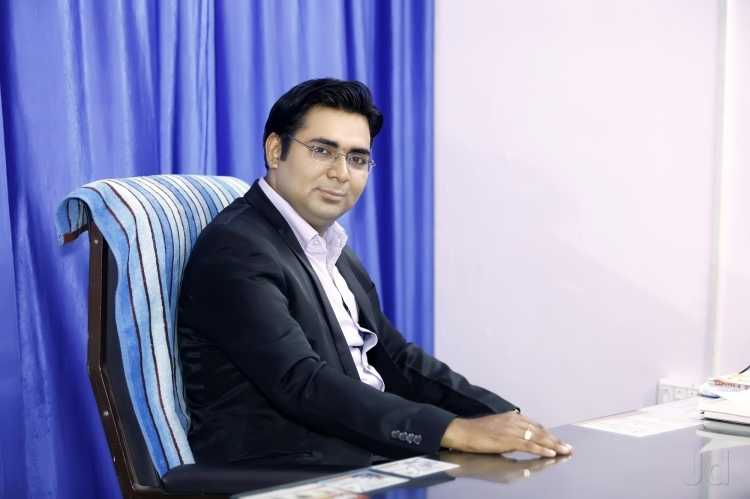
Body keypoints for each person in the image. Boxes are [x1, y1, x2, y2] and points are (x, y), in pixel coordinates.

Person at [177, 78, 572, 467]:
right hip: (284, 468)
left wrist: (504, 417)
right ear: (276, 150)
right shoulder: (237, 249)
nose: (341, 173)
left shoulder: (328, 246)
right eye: (322, 151)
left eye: (357, 159)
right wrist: (452, 431)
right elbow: (300, 382)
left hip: (357, 449)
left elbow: (396, 358)